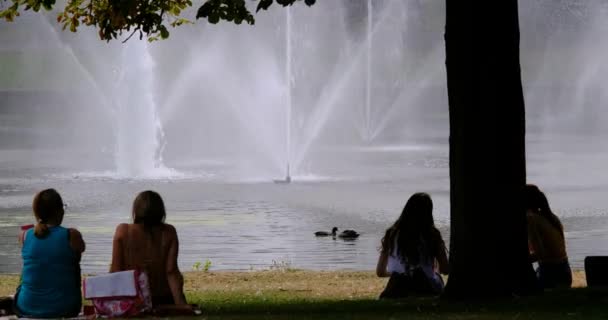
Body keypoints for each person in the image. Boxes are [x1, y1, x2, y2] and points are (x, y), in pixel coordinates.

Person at [14, 189, 85, 318]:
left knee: (28, 268)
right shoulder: (72, 235)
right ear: (60, 211)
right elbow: (78, 257)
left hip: (25, 306)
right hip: (65, 308)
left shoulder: (24, 236)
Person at [110, 190, 188, 306]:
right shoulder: (169, 232)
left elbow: (116, 271)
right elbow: (171, 271)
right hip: (162, 300)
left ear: (136, 210)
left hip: (132, 301)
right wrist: (180, 303)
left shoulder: (123, 231)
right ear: (161, 211)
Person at [376, 193, 449, 298]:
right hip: (425, 286)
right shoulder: (432, 234)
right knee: (436, 277)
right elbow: (445, 270)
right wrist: (436, 270)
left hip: (397, 287)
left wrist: (400, 273)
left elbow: (380, 272)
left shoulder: (391, 234)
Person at [525, 184, 572, 288]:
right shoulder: (551, 217)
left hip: (550, 275)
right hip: (565, 272)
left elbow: (540, 254)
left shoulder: (531, 219)